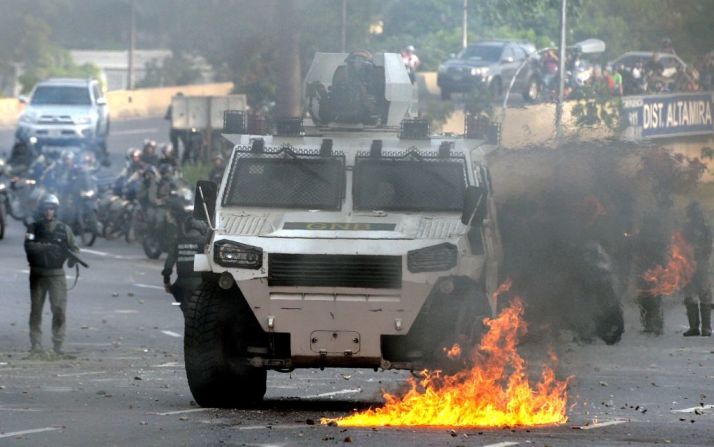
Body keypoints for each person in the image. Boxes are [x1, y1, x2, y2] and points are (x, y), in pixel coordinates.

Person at [24, 194, 79, 356]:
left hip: (56, 274)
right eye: (47, 208)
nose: (49, 212)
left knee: (59, 309)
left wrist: (72, 260)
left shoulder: (64, 229)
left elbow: (74, 248)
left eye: (52, 209)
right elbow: (29, 247)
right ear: (42, 210)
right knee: (36, 310)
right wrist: (48, 247)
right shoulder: (33, 228)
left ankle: (58, 345)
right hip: (38, 273)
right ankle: (36, 345)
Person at [162, 214, 208, 308]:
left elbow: (168, 265)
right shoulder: (204, 242)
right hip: (200, 284)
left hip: (180, 283)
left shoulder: (178, 241)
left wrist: (167, 281)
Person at [682, 201, 712, 336]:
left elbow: (709, 246)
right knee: (691, 295)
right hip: (690, 263)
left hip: (700, 263)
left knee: (703, 294)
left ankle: (705, 328)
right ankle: (695, 327)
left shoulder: (706, 229)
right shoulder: (686, 229)